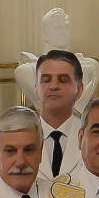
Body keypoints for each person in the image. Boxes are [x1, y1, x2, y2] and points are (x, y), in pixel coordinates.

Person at [31, 49, 86, 184]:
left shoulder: (91, 136)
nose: (54, 86)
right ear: (36, 88)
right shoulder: (21, 136)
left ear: (78, 90)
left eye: (63, 80)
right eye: (46, 80)